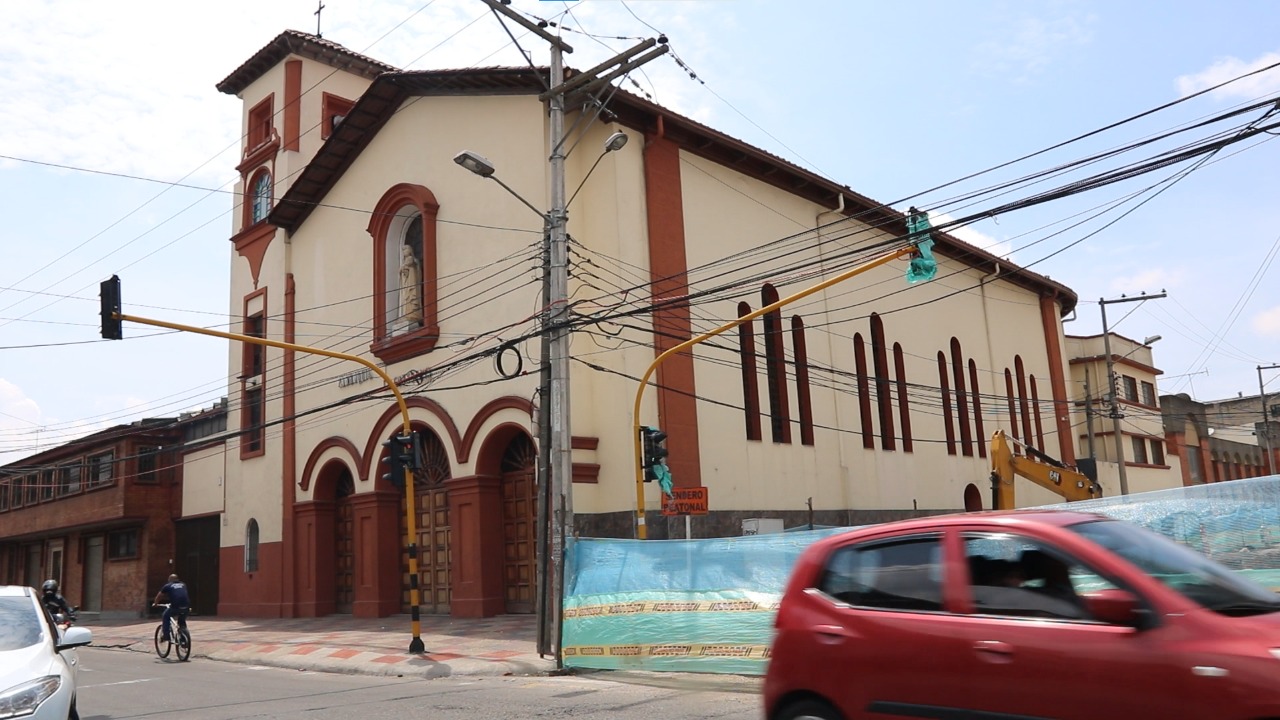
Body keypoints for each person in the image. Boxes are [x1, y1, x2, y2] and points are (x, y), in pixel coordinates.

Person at [153, 574, 191, 641]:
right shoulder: (183, 585)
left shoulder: (168, 586)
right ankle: (184, 639)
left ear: (170, 580)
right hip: (186, 607)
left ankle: (166, 636)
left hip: (175, 607)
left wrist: (155, 603)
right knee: (182, 622)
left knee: (165, 616)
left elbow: (159, 596)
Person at [398, 244, 422, 327]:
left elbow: (408, 265)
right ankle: (408, 314)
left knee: (412, 296)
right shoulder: (406, 261)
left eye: (405, 249)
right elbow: (402, 269)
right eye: (403, 250)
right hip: (407, 282)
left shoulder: (411, 259)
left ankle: (413, 314)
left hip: (412, 281)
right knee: (407, 297)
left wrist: (403, 268)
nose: (404, 252)